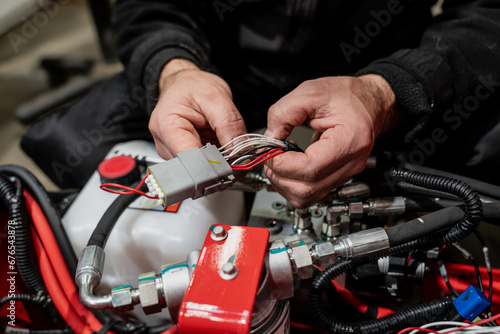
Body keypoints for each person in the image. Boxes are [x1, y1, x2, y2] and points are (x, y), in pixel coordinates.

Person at [22, 0, 500, 207]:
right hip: (217, 72)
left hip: (387, 70)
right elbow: (149, 7)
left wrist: (387, 91)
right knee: (74, 145)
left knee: (482, 165)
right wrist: (175, 69)